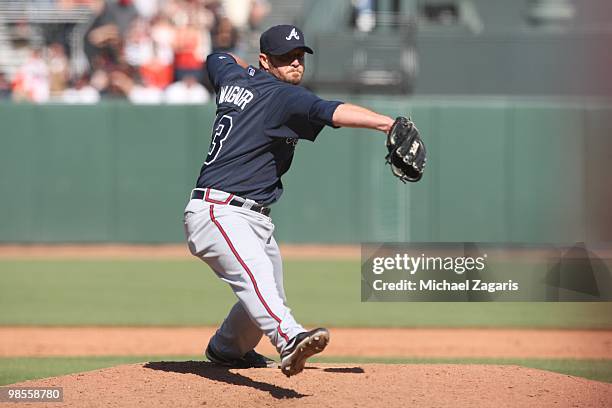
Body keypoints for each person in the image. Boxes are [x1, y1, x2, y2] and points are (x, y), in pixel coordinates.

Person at [183, 24, 395, 377]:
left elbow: (216, 59)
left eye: (299, 56)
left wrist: (239, 69)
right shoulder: (283, 96)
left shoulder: (233, 77)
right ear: (266, 60)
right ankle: (290, 339)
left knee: (267, 289)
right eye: (285, 58)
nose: (295, 64)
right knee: (260, 284)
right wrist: (387, 124)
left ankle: (226, 347)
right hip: (220, 212)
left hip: (249, 215)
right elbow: (332, 111)